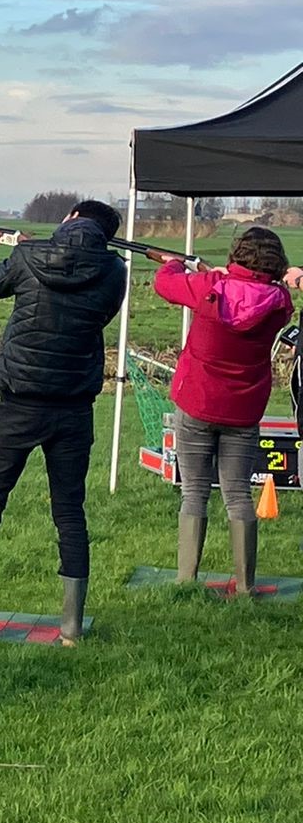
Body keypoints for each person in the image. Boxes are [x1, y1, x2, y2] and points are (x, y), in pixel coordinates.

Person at [0, 200, 128, 645]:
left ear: (69, 218)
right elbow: (95, 308)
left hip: (18, 404)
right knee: (69, 512)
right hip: (74, 407)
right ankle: (70, 626)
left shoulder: (29, 257)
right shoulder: (115, 271)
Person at [154, 227, 293, 592]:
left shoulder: (209, 286)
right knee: (237, 495)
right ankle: (246, 585)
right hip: (244, 409)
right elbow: (250, 294)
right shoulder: (280, 300)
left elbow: (165, 285)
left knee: (194, 492)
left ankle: (186, 580)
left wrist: (173, 266)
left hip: (198, 402)